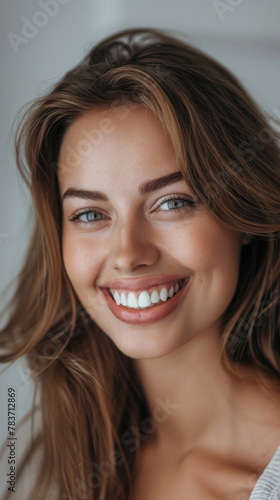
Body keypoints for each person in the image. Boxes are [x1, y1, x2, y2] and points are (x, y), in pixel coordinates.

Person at [1, 26, 280, 500]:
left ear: (244, 214)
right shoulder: (31, 465)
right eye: (90, 214)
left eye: (172, 203)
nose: (129, 255)